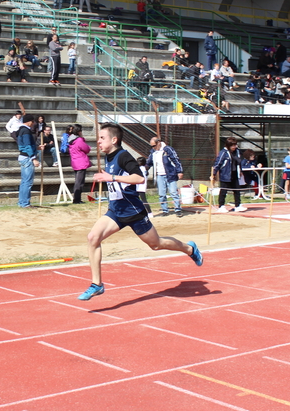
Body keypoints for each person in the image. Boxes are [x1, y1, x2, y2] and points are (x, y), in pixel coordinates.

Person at [78, 123, 203, 301]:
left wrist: (111, 177)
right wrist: (108, 177)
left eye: (102, 138)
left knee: (156, 244)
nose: (97, 141)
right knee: (93, 238)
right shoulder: (109, 156)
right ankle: (97, 284)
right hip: (116, 210)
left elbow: (139, 177)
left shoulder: (123, 156)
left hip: (133, 211)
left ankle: (190, 249)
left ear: (114, 140)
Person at [146, 136, 184, 217]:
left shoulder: (168, 149)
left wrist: (179, 171)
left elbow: (176, 160)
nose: (153, 147)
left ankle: (178, 209)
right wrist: (144, 168)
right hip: (159, 175)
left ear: (158, 143)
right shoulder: (153, 152)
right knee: (161, 194)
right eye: (151, 146)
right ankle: (165, 210)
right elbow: (149, 162)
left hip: (170, 174)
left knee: (173, 192)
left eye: (154, 145)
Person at [213, 137, 248, 212]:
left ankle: (238, 205)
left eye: (235, 145)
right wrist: (213, 173)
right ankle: (221, 206)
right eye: (233, 145)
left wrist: (240, 171)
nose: (234, 147)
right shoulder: (223, 153)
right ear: (228, 145)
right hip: (225, 174)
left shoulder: (237, 152)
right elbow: (218, 163)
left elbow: (239, 162)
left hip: (235, 173)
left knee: (237, 190)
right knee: (223, 191)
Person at [16, 114, 40, 208]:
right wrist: (34, 158)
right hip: (27, 158)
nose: (33, 123)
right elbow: (27, 145)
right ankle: (25, 203)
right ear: (29, 121)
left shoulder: (21, 130)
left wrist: (37, 148)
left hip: (23, 156)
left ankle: (22, 202)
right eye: (33, 121)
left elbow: (25, 145)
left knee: (24, 181)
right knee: (27, 182)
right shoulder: (26, 131)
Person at [64, 124, 90, 203]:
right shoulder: (78, 140)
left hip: (75, 161)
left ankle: (77, 198)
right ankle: (77, 199)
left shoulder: (71, 140)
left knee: (78, 181)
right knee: (79, 182)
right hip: (81, 162)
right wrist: (82, 138)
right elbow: (86, 149)